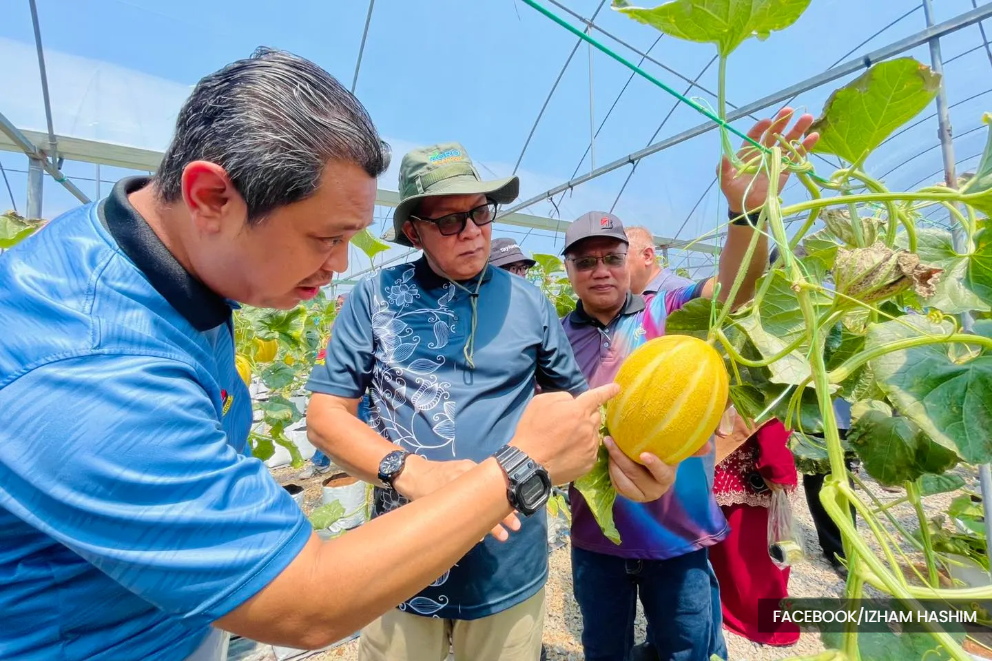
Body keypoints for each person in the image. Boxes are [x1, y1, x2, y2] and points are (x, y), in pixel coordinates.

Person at [0, 48, 619, 661]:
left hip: (495, 566)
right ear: (212, 198)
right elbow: (305, 601)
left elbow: (570, 401)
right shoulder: (90, 363)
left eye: (481, 214)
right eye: (326, 237)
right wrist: (513, 468)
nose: (340, 265)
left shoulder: (173, 284)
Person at [304, 141, 678, 661]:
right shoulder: (375, 297)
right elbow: (325, 417)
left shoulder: (530, 301)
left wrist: (629, 465)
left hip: (508, 557)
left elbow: (578, 410)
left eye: (480, 213)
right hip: (402, 556)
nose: (474, 231)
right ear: (414, 232)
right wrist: (409, 470)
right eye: (451, 222)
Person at [559, 109, 819, 661]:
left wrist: (745, 210)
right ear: (570, 271)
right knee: (603, 651)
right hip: (595, 540)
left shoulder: (670, 310)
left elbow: (737, 290)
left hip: (679, 537)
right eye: (585, 261)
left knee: (687, 653)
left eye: (611, 256)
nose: (600, 268)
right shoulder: (556, 338)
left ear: (630, 261)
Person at [709, 419, 800, 646]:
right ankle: (756, 618)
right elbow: (771, 429)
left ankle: (724, 603)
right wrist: (780, 471)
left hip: (725, 465)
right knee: (753, 555)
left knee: (728, 550)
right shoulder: (767, 386)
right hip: (751, 476)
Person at [300, 293, 368, 479]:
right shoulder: (332, 326)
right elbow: (325, 354)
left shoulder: (358, 325)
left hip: (355, 389)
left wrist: (357, 386)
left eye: (342, 304)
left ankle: (363, 464)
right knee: (336, 427)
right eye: (337, 304)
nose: (338, 307)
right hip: (338, 385)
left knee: (354, 427)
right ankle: (322, 463)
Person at [624, 225, 694, 296]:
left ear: (647, 256)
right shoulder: (627, 298)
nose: (613, 268)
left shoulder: (680, 291)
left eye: (617, 258)